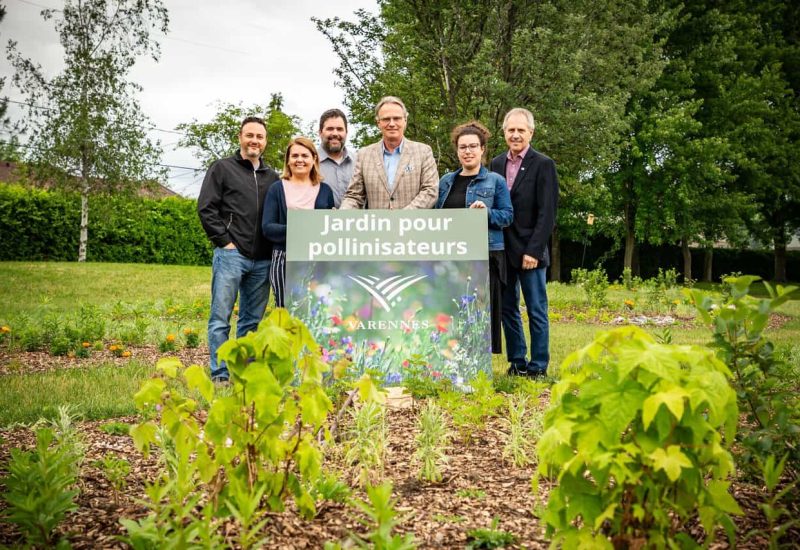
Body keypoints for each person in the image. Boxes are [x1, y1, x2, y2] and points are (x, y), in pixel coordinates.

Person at [198, 116, 280, 382]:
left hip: (263, 260)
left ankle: (242, 373)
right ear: (240, 137)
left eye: (259, 136)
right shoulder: (222, 168)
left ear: (265, 142)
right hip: (231, 256)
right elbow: (206, 208)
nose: (254, 140)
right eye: (250, 135)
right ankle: (220, 374)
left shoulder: (273, 177)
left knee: (250, 323)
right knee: (220, 318)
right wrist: (225, 242)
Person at [489, 108, 559, 377]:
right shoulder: (495, 164)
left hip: (531, 251)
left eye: (521, 130)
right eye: (511, 130)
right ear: (504, 132)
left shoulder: (543, 164)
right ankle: (517, 361)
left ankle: (538, 366)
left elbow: (547, 213)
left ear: (531, 132)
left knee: (536, 310)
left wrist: (534, 250)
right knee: (508, 309)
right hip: (503, 251)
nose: (515, 134)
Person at [436, 121, 513, 354]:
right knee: (453, 310)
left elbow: (507, 216)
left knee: (481, 312)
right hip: (452, 255)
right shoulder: (446, 181)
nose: (467, 151)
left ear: (482, 149)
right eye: (462, 147)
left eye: (472, 146)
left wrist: (486, 213)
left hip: (485, 253)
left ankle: (479, 363)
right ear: (457, 151)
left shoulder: (495, 181)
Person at [262, 137, 334, 307]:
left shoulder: (325, 190)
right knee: (285, 308)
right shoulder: (277, 189)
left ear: (314, 159)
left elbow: (329, 228)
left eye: (305, 155)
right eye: (294, 156)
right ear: (288, 160)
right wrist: (301, 229)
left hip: (317, 259)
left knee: (315, 308)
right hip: (284, 258)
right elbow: (268, 228)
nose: (299, 160)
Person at [340, 96, 438, 210]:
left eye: (396, 118)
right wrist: (342, 215)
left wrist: (403, 217)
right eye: (386, 119)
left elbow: (430, 191)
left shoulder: (423, 152)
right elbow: (354, 196)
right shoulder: (363, 155)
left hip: (413, 225)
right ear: (378, 123)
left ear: (405, 120)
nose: (392, 123)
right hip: (377, 226)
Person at [318, 108, 356, 208]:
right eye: (330, 129)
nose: (335, 133)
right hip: (319, 222)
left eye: (340, 129)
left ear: (346, 133)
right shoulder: (309, 163)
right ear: (320, 132)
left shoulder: (359, 162)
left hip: (357, 222)